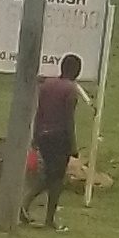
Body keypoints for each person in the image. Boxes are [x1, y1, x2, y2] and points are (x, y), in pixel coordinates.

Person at [20, 52, 88, 228]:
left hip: (43, 135)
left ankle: (24, 205)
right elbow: (68, 119)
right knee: (56, 180)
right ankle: (48, 219)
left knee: (49, 176)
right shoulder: (71, 90)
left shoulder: (47, 86)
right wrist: (73, 144)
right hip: (59, 137)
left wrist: (35, 135)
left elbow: (39, 112)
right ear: (77, 72)